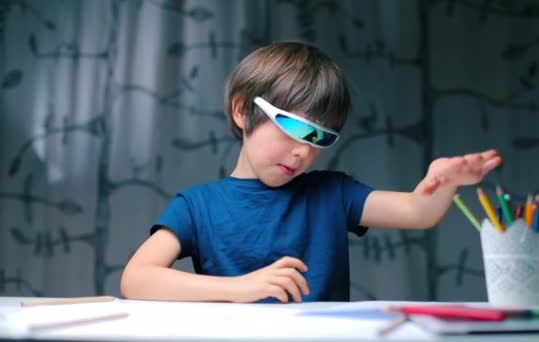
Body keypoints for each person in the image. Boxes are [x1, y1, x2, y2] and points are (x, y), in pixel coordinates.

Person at [120, 41, 501, 303]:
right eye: (293, 128)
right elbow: (136, 279)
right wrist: (239, 288)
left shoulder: (331, 194)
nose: (304, 150)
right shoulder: (196, 206)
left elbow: (419, 212)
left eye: (320, 138)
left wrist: (444, 181)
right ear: (242, 111)